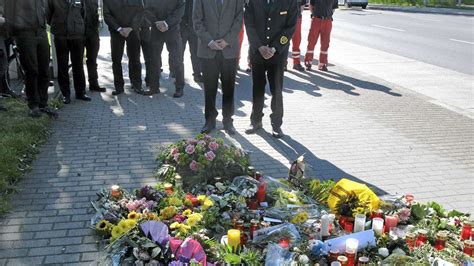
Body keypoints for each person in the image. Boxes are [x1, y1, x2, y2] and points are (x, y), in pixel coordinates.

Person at [244, 0, 297, 138]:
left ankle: (277, 125)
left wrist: (275, 47)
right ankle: (256, 121)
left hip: (277, 54)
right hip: (258, 53)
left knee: (277, 91)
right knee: (257, 89)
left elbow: (290, 27)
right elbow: (249, 24)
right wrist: (259, 46)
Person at [193, 0, 243, 135]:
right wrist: (209, 41)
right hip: (208, 49)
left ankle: (228, 120)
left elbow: (239, 19)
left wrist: (228, 39)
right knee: (209, 87)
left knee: (229, 88)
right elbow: (197, 20)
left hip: (229, 49)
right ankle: (209, 120)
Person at [3, 0, 57, 117]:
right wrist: (14, 33)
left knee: (44, 70)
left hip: (41, 32)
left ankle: (43, 103)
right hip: (25, 34)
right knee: (32, 71)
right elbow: (8, 12)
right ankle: (34, 105)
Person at [47, 0, 91, 104]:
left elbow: (83, 14)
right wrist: (59, 25)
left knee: (78, 65)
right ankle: (65, 94)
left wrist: (78, 26)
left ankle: (80, 92)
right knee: (62, 66)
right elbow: (48, 16)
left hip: (77, 35)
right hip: (61, 35)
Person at [143, 0, 185, 98]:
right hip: (156, 31)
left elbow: (179, 11)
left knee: (177, 60)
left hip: (173, 30)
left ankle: (179, 87)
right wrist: (157, 23)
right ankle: (154, 87)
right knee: (154, 59)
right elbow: (146, 10)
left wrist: (166, 23)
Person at [103, 0, 142, 96]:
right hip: (116, 32)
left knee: (135, 59)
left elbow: (140, 12)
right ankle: (119, 87)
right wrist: (119, 28)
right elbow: (107, 15)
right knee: (116, 60)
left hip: (133, 32)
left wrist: (131, 27)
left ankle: (137, 85)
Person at [304, 0, 338, 71]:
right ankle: (308, 62)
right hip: (316, 20)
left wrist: (328, 16)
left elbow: (333, 8)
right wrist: (315, 15)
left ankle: (322, 64)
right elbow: (311, 6)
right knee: (311, 42)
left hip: (327, 21)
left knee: (325, 43)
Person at [84, 0, 105, 93]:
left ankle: (93, 84)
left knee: (92, 60)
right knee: (77, 62)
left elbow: (97, 13)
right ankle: (80, 88)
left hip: (92, 32)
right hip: (78, 33)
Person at [180, 0, 203, 83]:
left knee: (196, 53)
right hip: (181, 27)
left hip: (194, 27)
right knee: (178, 53)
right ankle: (176, 74)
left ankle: (197, 74)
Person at [289, 0, 307, 72]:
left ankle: (296, 63)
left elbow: (302, 6)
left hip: (297, 18)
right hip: (285, 18)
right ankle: (283, 63)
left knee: (297, 41)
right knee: (284, 41)